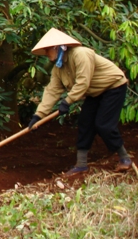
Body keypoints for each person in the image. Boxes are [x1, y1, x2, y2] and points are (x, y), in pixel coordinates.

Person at [28, 28, 132, 175]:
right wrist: (38, 115)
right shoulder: (59, 68)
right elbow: (52, 90)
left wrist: (67, 101)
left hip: (113, 86)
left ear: (56, 47)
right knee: (85, 123)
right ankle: (81, 164)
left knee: (104, 125)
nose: (46, 53)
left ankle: (125, 158)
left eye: (47, 50)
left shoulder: (81, 54)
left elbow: (83, 82)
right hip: (94, 92)